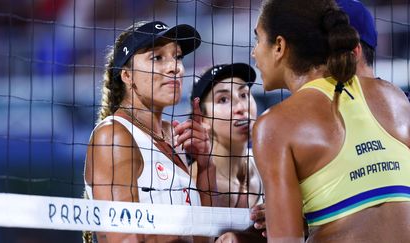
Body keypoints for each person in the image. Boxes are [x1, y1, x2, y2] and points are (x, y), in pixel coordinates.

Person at [251, 0, 410, 242]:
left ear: (279, 46)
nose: (254, 52)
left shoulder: (273, 125)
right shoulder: (393, 96)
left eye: (258, 39)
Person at [83, 20, 217, 243]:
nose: (175, 67)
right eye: (157, 57)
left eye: (178, 56)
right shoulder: (114, 136)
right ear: (127, 76)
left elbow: (205, 236)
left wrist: (205, 165)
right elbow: (123, 238)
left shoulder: (176, 136)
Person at [190, 63, 264, 209]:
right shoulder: (191, 181)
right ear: (202, 118)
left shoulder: (266, 166)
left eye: (244, 95)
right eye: (223, 99)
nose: (241, 108)